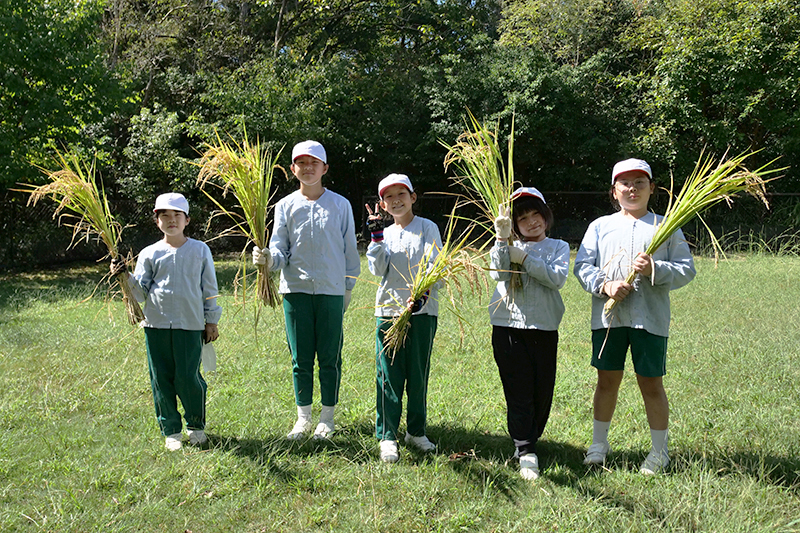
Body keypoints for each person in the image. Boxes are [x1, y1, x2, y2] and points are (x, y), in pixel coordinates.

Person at [574, 158, 696, 474]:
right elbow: (583, 266)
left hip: (650, 320)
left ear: (651, 188)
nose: (632, 189)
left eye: (639, 183)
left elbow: (686, 270)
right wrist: (606, 285)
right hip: (609, 320)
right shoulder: (600, 227)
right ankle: (598, 444)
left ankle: (659, 451)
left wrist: (656, 268)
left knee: (651, 383)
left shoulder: (666, 225)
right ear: (614, 191)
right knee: (606, 380)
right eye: (625, 183)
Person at [253, 140, 360, 441]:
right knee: (300, 357)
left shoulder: (340, 205)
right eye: (301, 162)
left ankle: (327, 417)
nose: (308, 167)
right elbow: (280, 248)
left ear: (325, 168)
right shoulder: (285, 206)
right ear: (292, 169)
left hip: (331, 290)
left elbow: (349, 250)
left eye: (314, 162)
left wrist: (347, 286)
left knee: (329, 355)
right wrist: (268, 259)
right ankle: (303, 418)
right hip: (296, 291)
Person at [111, 192, 222, 451]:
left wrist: (211, 320)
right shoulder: (150, 253)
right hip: (156, 325)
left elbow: (209, 288)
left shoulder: (200, 250)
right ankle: (171, 430)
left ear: (187, 220)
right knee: (161, 377)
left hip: (190, 323)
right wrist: (124, 276)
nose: (171, 220)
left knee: (188, 376)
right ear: (156, 220)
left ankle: (195, 426)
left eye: (176, 215)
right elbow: (140, 292)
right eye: (164, 215)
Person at [489, 187, 570, 480]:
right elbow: (497, 273)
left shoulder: (558, 247)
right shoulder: (504, 245)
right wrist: (501, 239)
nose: (531, 221)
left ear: (546, 216)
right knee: (518, 389)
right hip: (508, 326)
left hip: (544, 328)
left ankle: (530, 438)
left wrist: (523, 259)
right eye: (522, 218)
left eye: (536, 214)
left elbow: (556, 278)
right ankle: (525, 449)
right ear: (513, 223)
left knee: (542, 390)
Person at [365, 173, 442, 463]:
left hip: (421, 312)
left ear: (413, 197)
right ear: (382, 205)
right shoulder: (384, 234)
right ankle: (387, 435)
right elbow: (377, 269)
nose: (395, 201)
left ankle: (416, 431)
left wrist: (422, 294)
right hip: (387, 310)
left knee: (418, 372)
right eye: (388, 197)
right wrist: (375, 238)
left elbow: (435, 263)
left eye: (401, 194)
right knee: (389, 374)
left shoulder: (427, 228)